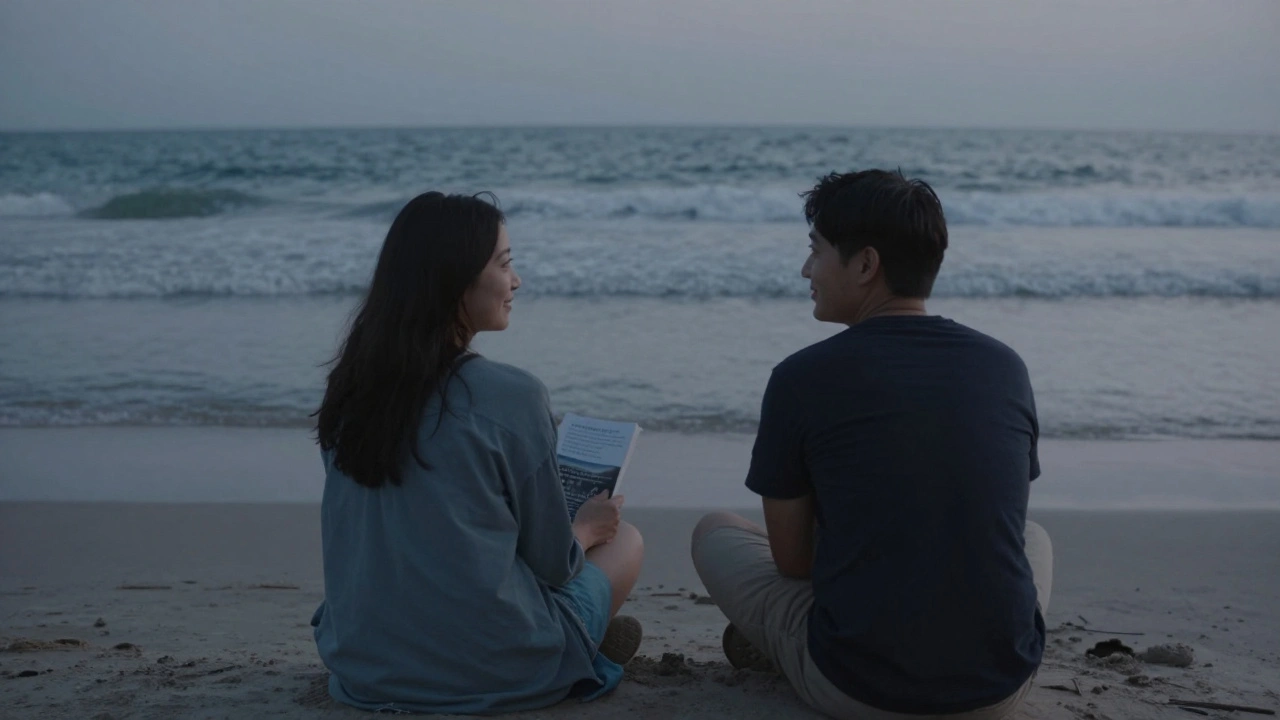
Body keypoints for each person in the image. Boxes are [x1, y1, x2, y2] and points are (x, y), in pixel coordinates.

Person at [691, 170, 1053, 719]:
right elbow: (982, 515)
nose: (806, 269)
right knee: (1032, 537)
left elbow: (792, 563)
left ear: (865, 265)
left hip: (859, 688)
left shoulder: (802, 377)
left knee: (714, 531)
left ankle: (782, 648)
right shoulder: (1005, 366)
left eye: (816, 252)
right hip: (999, 687)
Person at [310, 191, 645, 714]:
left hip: (365, 664)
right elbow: (555, 564)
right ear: (455, 277)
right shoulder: (510, 394)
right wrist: (586, 527)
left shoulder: (350, 389)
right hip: (491, 670)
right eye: (505, 265)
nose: (516, 282)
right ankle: (582, 641)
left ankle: (584, 632)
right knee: (626, 541)